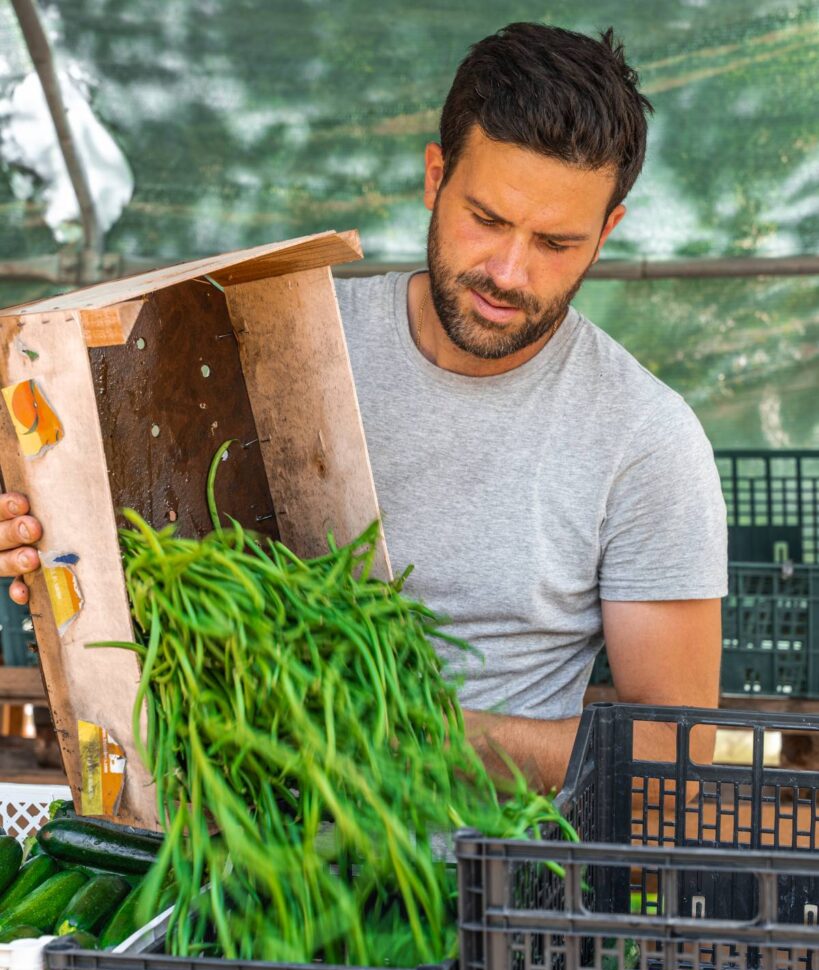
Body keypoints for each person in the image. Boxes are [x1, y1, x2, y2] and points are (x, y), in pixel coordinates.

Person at [0, 23, 727, 790]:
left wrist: (402, 727)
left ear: (607, 231)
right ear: (434, 177)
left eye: (555, 242)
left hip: (482, 875)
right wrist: (43, 535)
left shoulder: (645, 441)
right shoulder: (281, 338)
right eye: (485, 220)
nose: (508, 273)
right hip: (234, 821)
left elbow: (672, 759)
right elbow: (137, 550)